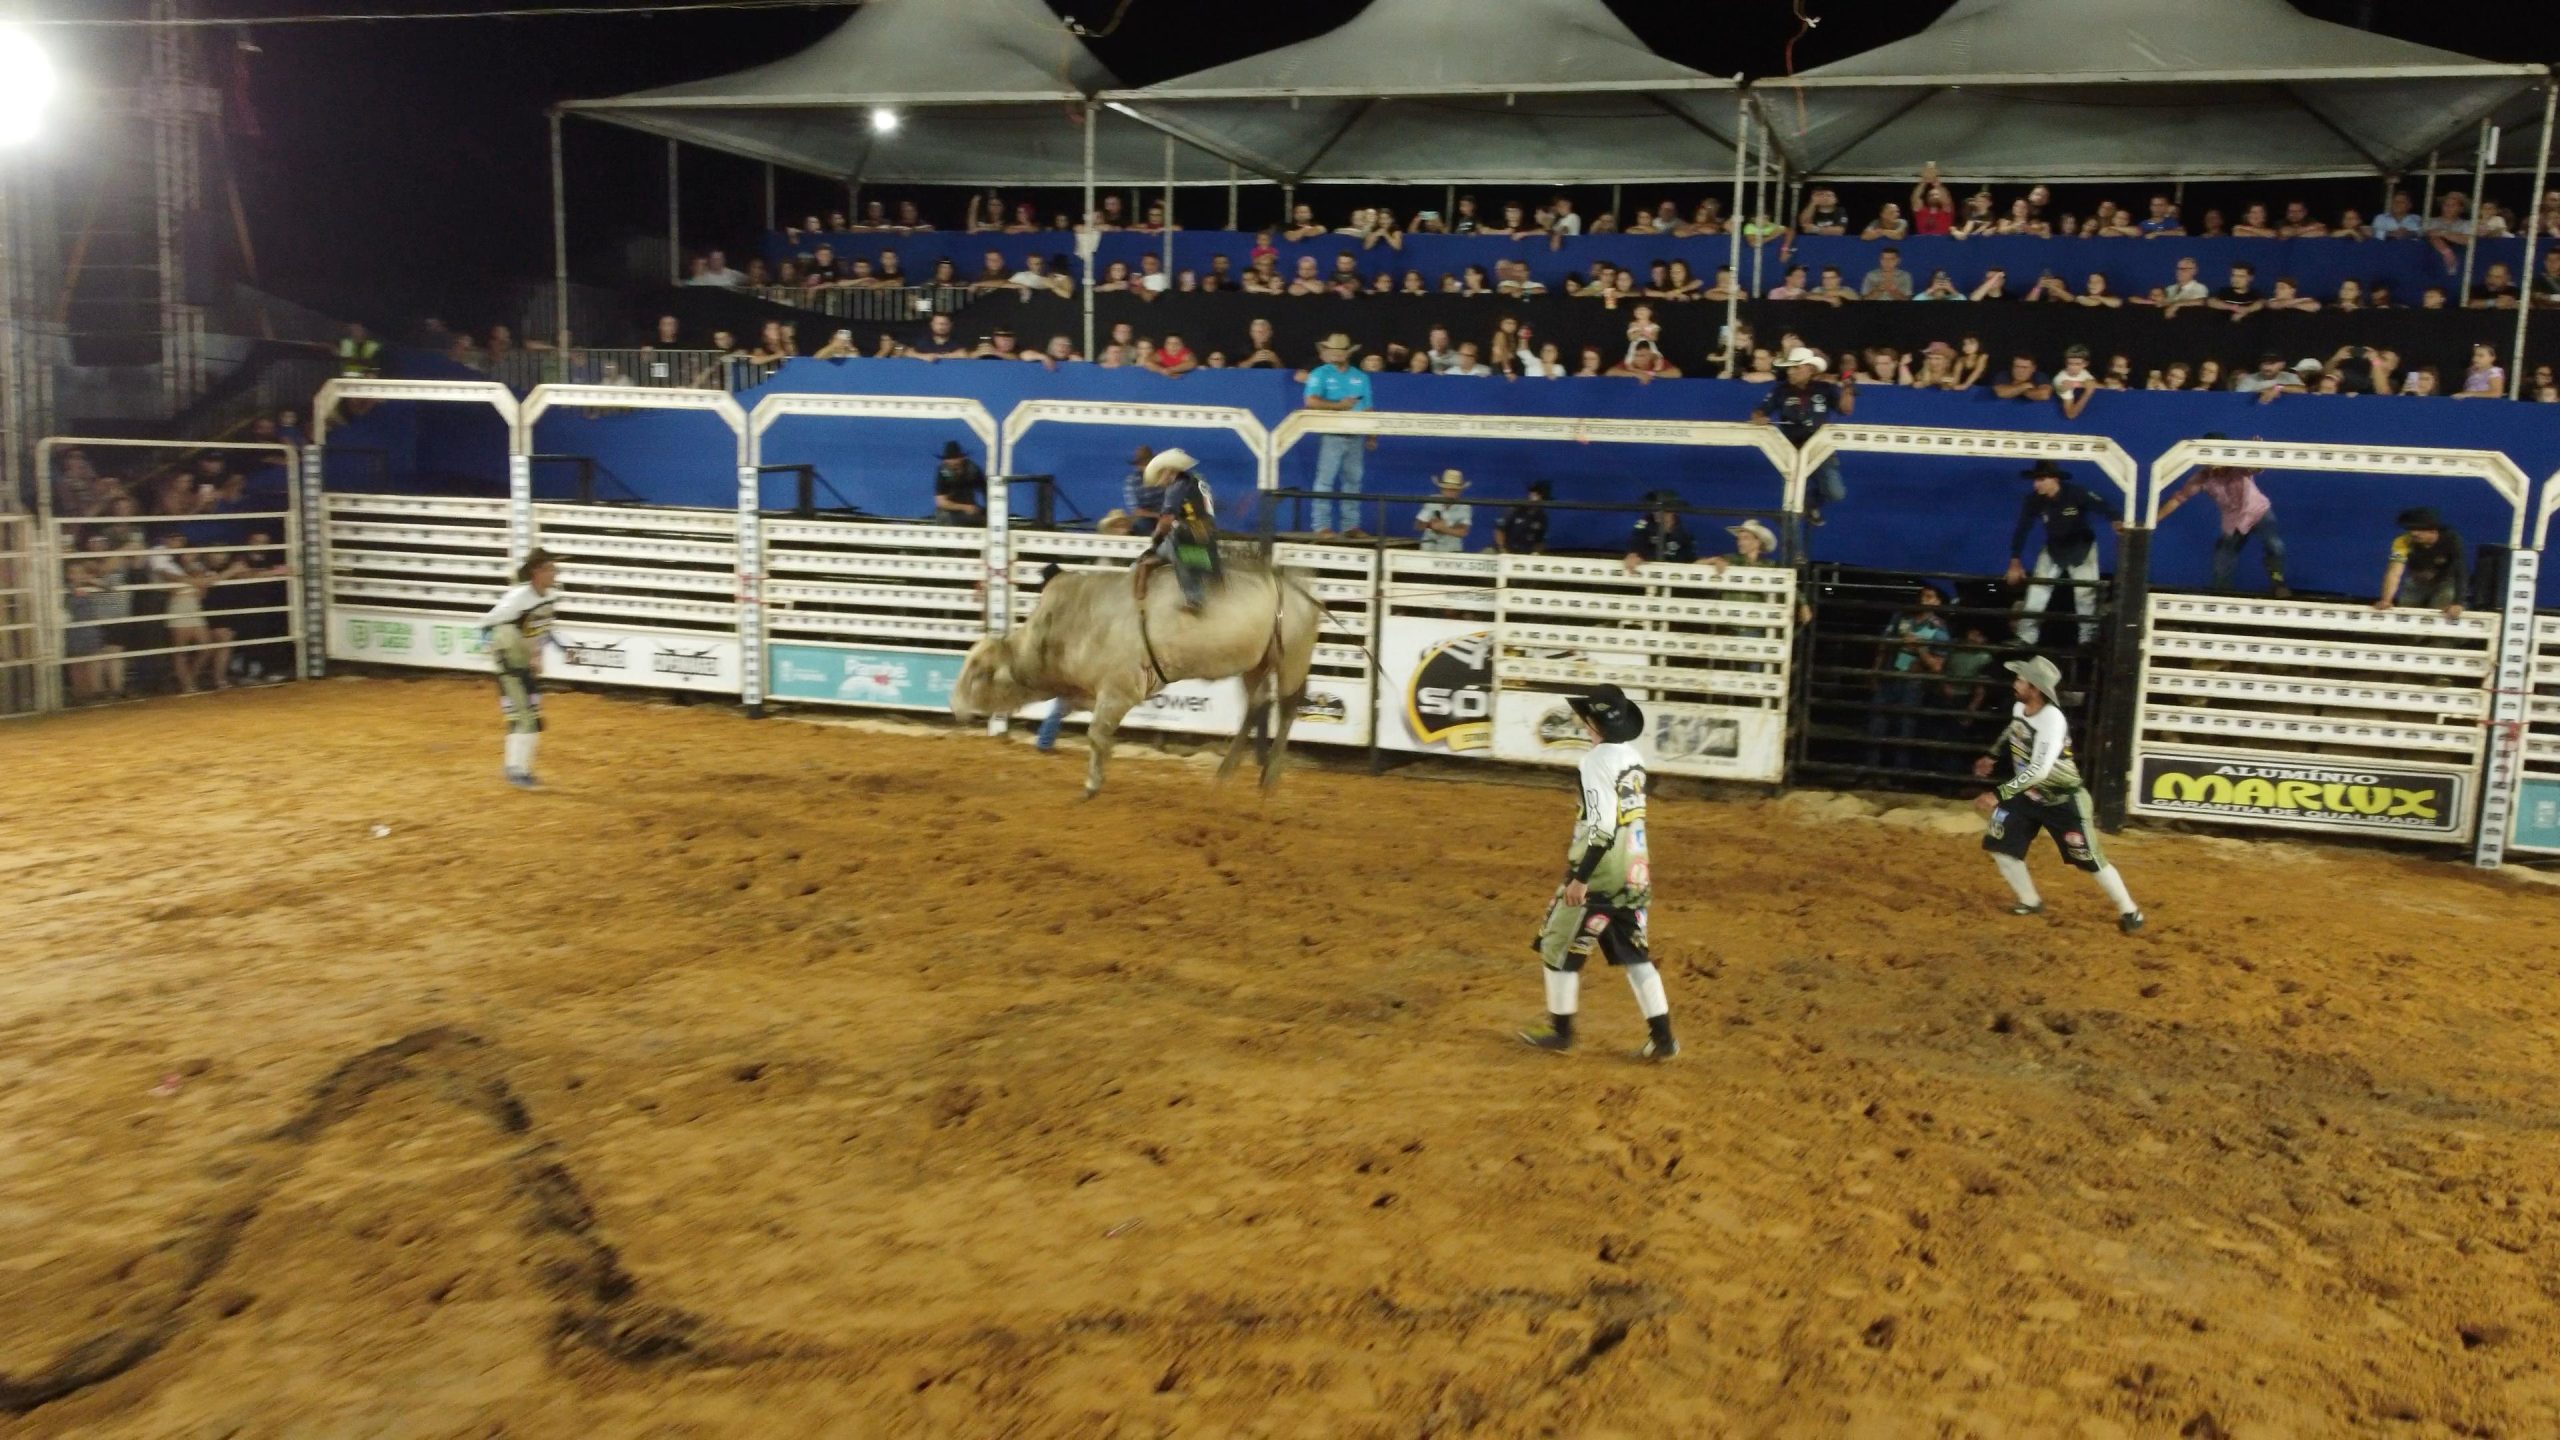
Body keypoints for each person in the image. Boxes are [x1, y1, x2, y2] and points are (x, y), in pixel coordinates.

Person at [1518, 684, 1677, 1061]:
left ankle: (1560, 1032)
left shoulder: (1594, 762)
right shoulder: (1633, 758)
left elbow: (1602, 826)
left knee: (1558, 945)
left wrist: (1581, 877)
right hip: (1635, 872)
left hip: (1602, 874)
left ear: (1591, 723)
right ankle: (1664, 1038)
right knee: (1636, 956)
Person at [1972, 656, 2144, 933]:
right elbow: (2012, 730)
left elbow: (2040, 769)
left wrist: (2000, 794)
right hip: (2027, 794)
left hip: (2061, 798)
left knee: (2090, 860)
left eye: (2020, 680)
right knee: (2000, 845)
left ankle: (2130, 910)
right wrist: (1993, 754)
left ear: (2035, 689)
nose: (2015, 683)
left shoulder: (2052, 719)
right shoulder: (2021, 708)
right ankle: (2029, 900)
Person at [2006, 460, 2118, 647]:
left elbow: (2103, 505)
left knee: (2085, 593)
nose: (2036, 484)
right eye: (2036, 480)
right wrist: (2015, 559)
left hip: (2081, 546)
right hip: (2054, 547)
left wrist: (2116, 520)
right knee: (2038, 590)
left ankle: (2087, 638)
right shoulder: (2034, 500)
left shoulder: (2076, 493)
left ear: (2054, 479)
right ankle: (2026, 636)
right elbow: (2022, 528)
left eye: (2041, 479)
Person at [478, 548, 565, 789]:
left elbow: (541, 628)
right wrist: (494, 651)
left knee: (527, 718)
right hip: (510, 660)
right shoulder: (518, 598)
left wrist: (540, 654)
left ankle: (516, 768)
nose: (555, 573)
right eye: (551, 568)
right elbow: (486, 624)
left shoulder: (547, 596)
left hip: (521, 659)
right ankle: (518, 771)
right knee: (527, 718)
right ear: (537, 571)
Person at [2158, 443, 2288, 596]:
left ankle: (2277, 583)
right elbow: (2178, 499)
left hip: (2259, 513)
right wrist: (2155, 519)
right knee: (2222, 560)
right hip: (2233, 522)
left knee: (2275, 546)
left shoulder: (2238, 466)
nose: (2211, 464)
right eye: (2207, 460)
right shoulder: (2201, 478)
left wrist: (2256, 452)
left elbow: (2255, 468)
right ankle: (2221, 593)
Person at [1750, 346, 1853, 525]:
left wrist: (1848, 389)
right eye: (1789, 367)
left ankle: (1810, 505)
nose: (1790, 371)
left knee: (1836, 493)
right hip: (1791, 449)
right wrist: (1760, 418)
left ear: (1810, 369)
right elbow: (1759, 411)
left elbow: (1846, 410)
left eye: (1796, 367)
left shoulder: (1825, 389)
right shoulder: (1780, 391)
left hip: (1820, 447)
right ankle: (1789, 521)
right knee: (1791, 495)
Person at [1872, 584, 1951, 771]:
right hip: (1889, 676)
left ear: (1938, 602)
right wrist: (1875, 671)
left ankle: (1898, 773)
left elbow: (1937, 666)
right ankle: (1873, 770)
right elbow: (1883, 645)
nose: (1924, 599)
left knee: (1904, 730)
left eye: (1930, 596)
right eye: (1923, 595)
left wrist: (1919, 648)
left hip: (1912, 683)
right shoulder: (1902, 617)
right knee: (1877, 726)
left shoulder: (1939, 630)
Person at [1302, 333, 1373, 537]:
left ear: (1347, 353)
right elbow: (1310, 401)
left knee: (1352, 480)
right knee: (1327, 479)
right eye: (1333, 350)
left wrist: (1372, 434)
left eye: (1339, 350)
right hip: (1332, 432)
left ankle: (1349, 526)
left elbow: (1368, 409)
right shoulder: (1320, 373)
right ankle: (1322, 525)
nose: (1336, 354)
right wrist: (1339, 406)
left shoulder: (1361, 377)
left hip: (1355, 432)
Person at [1134, 448, 1220, 613]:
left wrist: (1156, 539)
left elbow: (1166, 520)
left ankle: (1195, 599)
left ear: (1169, 470)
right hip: (1207, 538)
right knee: (1170, 549)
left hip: (1191, 536)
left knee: (1178, 551)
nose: (1159, 480)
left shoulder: (1177, 487)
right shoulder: (1197, 480)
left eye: (1160, 474)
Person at [2375, 507, 2466, 617]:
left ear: (2433, 531)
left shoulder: (2452, 540)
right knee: (2404, 615)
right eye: (2411, 529)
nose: (2414, 533)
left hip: (2444, 583)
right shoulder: (2402, 541)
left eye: (2419, 529)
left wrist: (2458, 603)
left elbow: (2461, 571)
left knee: (2444, 607)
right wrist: (2386, 600)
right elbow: (2394, 572)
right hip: (2415, 583)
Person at [1624, 491, 1699, 572]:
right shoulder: (1644, 525)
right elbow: (1635, 549)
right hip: (1647, 573)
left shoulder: (1685, 532)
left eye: (1665, 509)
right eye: (1654, 508)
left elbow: (1692, 561)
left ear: (1673, 510)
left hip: (1675, 576)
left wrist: (1711, 561)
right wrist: (1632, 556)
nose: (1657, 513)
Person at [1415, 470, 1472, 552]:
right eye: (1447, 489)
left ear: (1460, 491)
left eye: (1454, 490)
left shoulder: (1465, 506)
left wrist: (1443, 528)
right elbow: (1418, 526)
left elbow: (1463, 532)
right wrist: (1430, 525)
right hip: (1429, 549)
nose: (1450, 493)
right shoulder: (1432, 500)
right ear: (1442, 489)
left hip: (1452, 551)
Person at [932, 441, 986, 524]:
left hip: (971, 510)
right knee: (944, 517)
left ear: (962, 458)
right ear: (945, 461)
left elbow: (986, 491)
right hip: (950, 512)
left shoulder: (973, 470)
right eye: (950, 459)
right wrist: (965, 507)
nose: (953, 462)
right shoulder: (943, 473)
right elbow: (941, 502)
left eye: (955, 458)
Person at [1497, 480, 1551, 555]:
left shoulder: (1542, 517)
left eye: (1539, 496)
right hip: (1501, 551)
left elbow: (1540, 541)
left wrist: (1536, 553)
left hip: (1523, 554)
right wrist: (1502, 549)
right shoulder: (1515, 509)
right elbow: (1499, 530)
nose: (1535, 498)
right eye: (1534, 494)